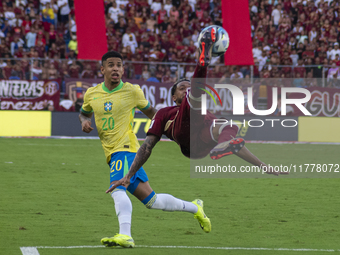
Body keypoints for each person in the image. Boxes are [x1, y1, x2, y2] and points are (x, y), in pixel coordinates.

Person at [107, 26, 286, 193]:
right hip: (186, 140)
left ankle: (222, 146)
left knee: (228, 126)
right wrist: (129, 176)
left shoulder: (205, 113)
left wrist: (263, 165)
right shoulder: (164, 113)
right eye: (181, 88)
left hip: (204, 140)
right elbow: (147, 146)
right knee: (195, 97)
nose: (184, 89)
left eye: (186, 86)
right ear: (174, 97)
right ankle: (203, 62)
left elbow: (238, 146)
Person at [79, 51, 212, 249]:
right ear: (103, 69)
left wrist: (175, 131)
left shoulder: (132, 91)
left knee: (117, 189)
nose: (115, 68)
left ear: (123, 70)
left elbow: (154, 114)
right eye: (111, 65)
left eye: (119, 65)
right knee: (153, 201)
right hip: (113, 151)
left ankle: (125, 235)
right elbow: (83, 113)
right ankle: (195, 207)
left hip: (125, 148)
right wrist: (84, 121)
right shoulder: (92, 94)